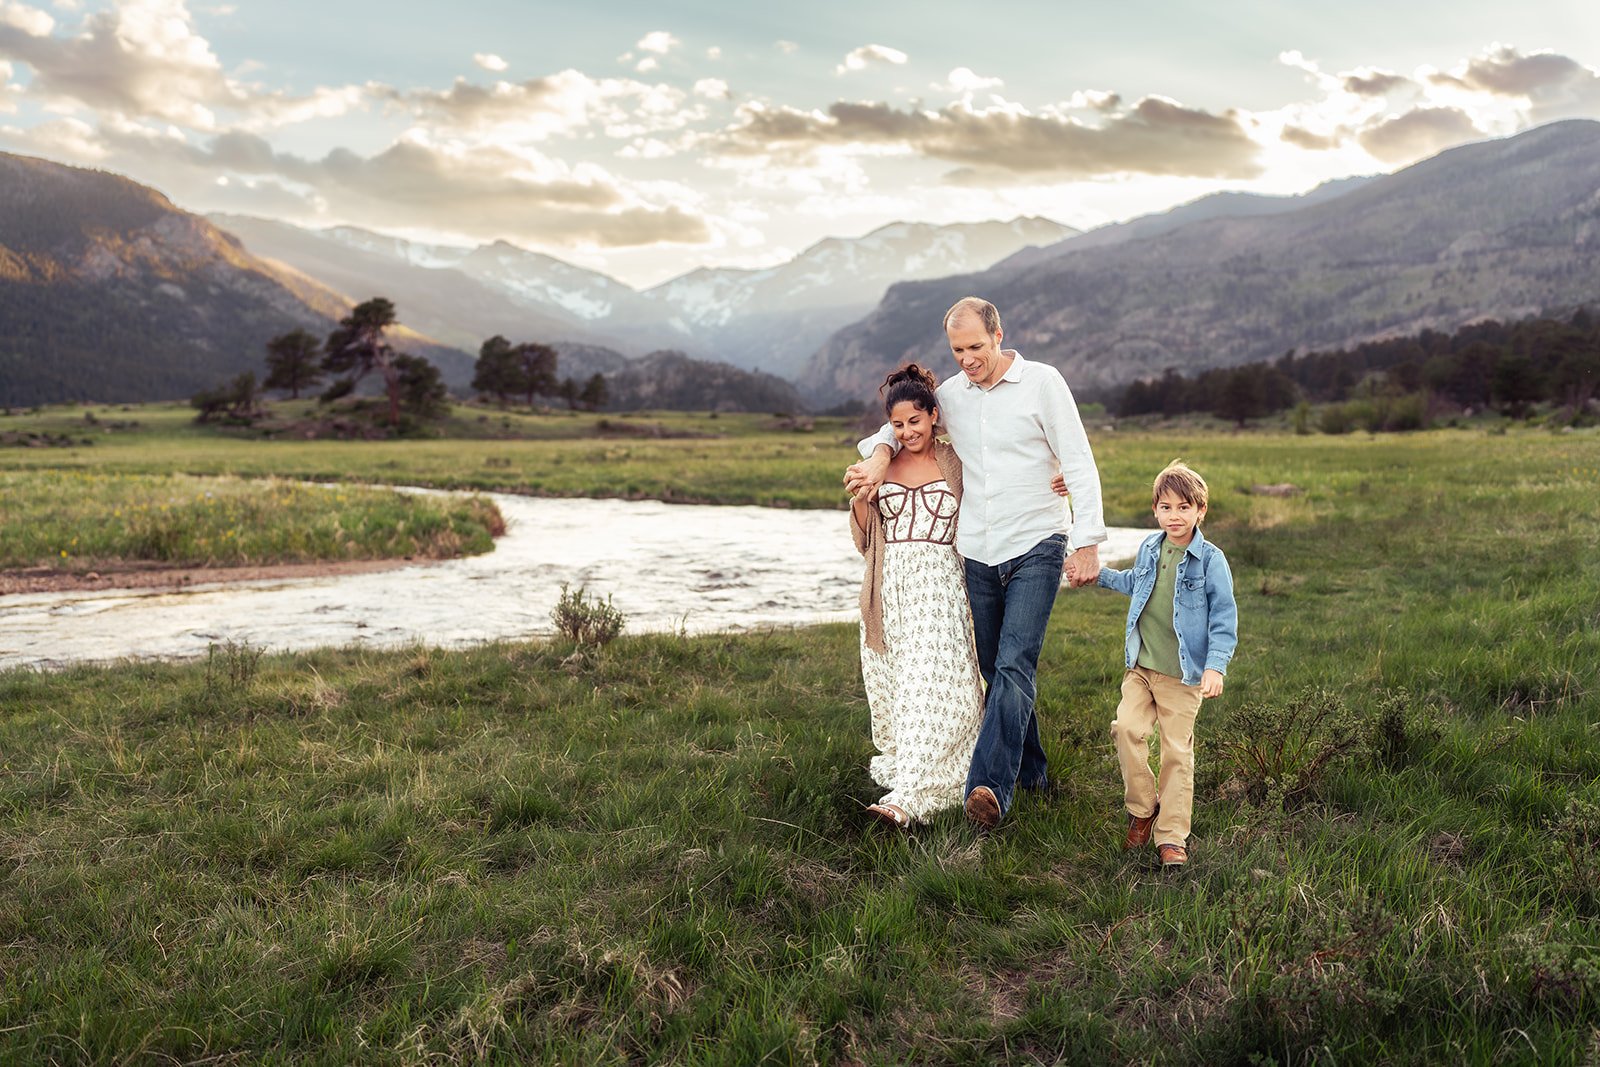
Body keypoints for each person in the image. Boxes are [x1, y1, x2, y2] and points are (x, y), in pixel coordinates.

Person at [845, 297, 1106, 832]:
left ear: (999, 335)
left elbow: (1077, 457)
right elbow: (897, 426)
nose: (967, 359)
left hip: (1037, 540)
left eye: (976, 347)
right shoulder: (950, 397)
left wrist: (1087, 540)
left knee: (1014, 664)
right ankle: (1033, 774)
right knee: (995, 669)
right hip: (979, 551)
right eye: (957, 350)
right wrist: (875, 457)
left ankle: (988, 788)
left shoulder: (1043, 383)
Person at [1072, 459, 1237, 868]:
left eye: (1184, 507)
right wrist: (1098, 574)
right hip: (1142, 668)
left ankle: (1171, 836)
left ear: (1200, 511)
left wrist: (1215, 666)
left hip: (1183, 677)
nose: (1174, 516)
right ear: (1156, 511)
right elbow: (1135, 583)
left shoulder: (1211, 561)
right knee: (1126, 729)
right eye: (1166, 507)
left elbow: (1224, 618)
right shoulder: (1150, 547)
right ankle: (1144, 809)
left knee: (1176, 753)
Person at [850, 364, 985, 828]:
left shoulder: (955, 461)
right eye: (898, 424)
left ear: (933, 416)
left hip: (941, 586)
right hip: (890, 590)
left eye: (916, 421)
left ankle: (911, 797)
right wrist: (861, 497)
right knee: (903, 690)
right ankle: (909, 786)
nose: (908, 432)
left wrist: (1055, 480)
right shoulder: (879, 463)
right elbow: (865, 539)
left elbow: (999, 488)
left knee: (939, 688)